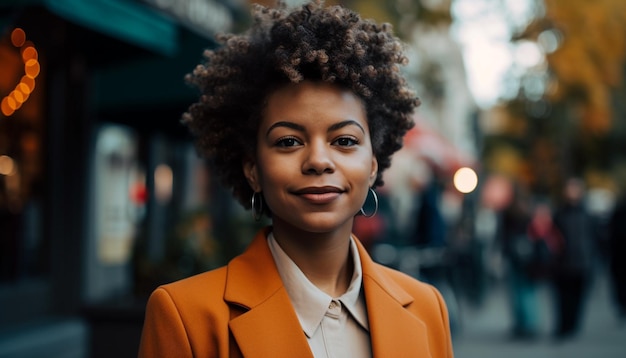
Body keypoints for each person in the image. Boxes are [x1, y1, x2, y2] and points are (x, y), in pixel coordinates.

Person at [138, 1, 454, 357]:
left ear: (373, 166)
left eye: (345, 141)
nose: (318, 161)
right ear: (252, 169)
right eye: (289, 141)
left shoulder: (429, 309)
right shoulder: (184, 316)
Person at [551, 177, 597, 340]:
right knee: (563, 298)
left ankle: (573, 326)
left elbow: (594, 238)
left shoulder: (587, 214)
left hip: (581, 262)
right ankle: (563, 326)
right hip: (562, 263)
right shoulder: (559, 213)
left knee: (578, 298)